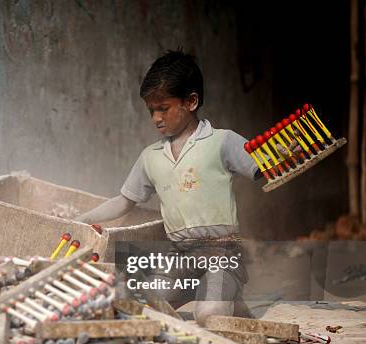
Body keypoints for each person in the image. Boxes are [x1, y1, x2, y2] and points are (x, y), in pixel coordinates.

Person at [75, 50, 273, 325]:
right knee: (147, 311)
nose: (156, 117)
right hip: (178, 254)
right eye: (151, 110)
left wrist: (286, 154)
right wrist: (82, 219)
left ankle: (224, 294)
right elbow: (123, 201)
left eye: (163, 108)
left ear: (191, 101)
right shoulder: (150, 157)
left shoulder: (222, 141)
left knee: (208, 316)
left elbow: (264, 170)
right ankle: (207, 292)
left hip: (222, 251)